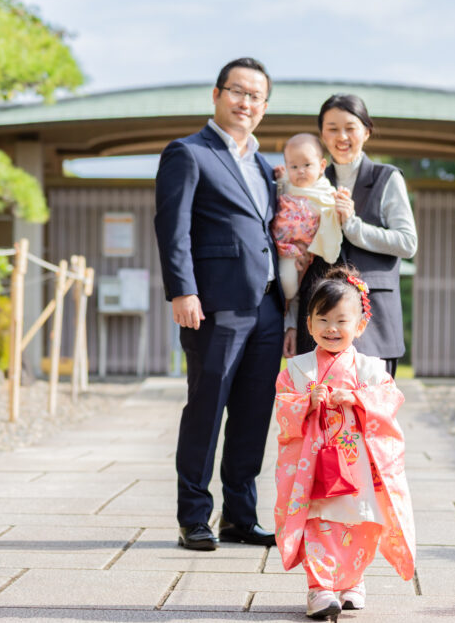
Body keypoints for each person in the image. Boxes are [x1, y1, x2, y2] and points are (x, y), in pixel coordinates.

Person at [154, 57, 282, 551]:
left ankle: (240, 516)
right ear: (217, 94)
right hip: (215, 306)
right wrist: (182, 290)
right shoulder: (188, 153)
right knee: (207, 410)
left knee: (254, 413)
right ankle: (194, 517)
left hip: (268, 307)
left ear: (264, 107)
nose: (245, 102)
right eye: (237, 92)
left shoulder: (262, 165)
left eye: (255, 97)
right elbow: (173, 227)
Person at [273, 264, 416, 619]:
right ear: (309, 324)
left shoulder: (371, 369)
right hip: (314, 465)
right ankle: (319, 588)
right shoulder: (296, 369)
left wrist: (358, 400)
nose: (331, 329)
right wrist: (308, 402)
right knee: (317, 520)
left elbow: (389, 402)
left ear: (360, 325)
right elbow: (283, 410)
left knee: (361, 520)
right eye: (322, 320)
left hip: (358, 466)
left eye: (341, 320)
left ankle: (353, 581)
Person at [284, 94, 418, 378]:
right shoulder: (311, 179)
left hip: (374, 317)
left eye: (350, 127)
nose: (341, 136)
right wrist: (292, 322)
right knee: (319, 413)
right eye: (332, 128)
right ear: (322, 134)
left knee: (370, 414)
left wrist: (354, 227)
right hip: (319, 315)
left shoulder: (387, 177)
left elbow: (407, 242)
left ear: (366, 131)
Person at [271, 133, 345, 303]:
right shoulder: (287, 186)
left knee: (301, 284)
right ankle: (288, 305)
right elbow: (278, 194)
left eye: (307, 165)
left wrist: (340, 204)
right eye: (294, 167)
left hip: (307, 249)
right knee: (287, 282)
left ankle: (292, 305)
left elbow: (332, 217)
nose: (301, 171)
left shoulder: (325, 193)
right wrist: (281, 179)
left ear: (321, 166)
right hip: (284, 247)